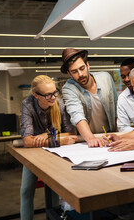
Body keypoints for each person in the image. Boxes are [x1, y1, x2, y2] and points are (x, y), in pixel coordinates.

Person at [20, 75, 77, 220]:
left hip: (57, 153)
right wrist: (60, 139)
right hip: (35, 154)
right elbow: (27, 141)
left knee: (58, 189)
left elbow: (72, 133)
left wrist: (47, 136)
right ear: (35, 95)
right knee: (26, 191)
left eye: (54, 92)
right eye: (47, 95)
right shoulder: (27, 105)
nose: (53, 97)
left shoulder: (60, 103)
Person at [61, 48, 118, 147]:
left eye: (82, 68)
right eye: (74, 71)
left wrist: (119, 134)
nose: (80, 74)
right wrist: (91, 139)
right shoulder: (68, 89)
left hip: (110, 136)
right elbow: (77, 115)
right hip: (88, 138)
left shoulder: (106, 77)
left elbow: (116, 108)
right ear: (69, 74)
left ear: (88, 65)